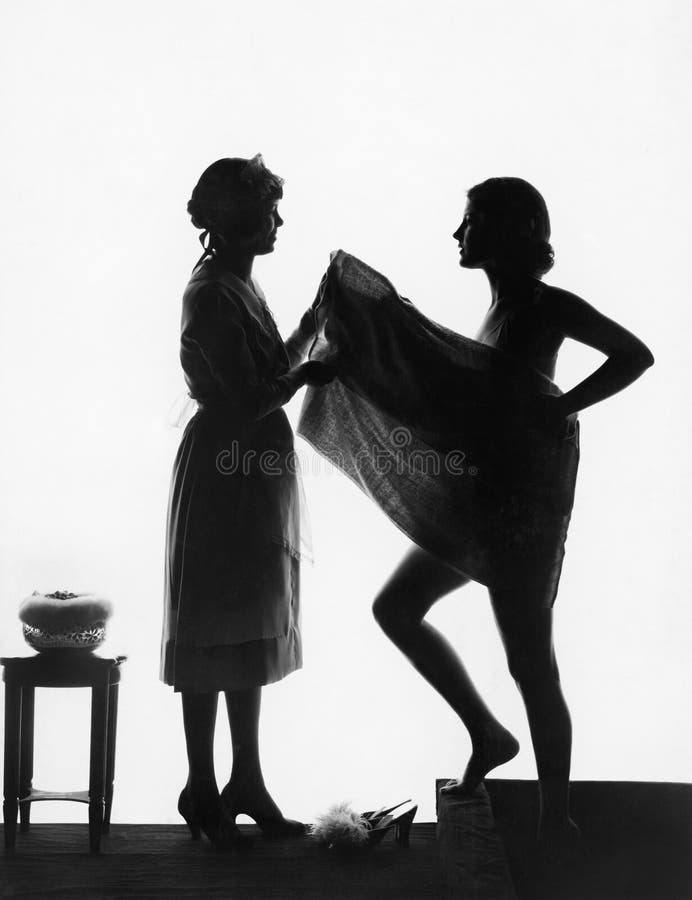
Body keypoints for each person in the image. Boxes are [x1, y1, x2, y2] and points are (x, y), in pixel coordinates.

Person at [298, 177, 654, 848]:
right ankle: (489, 734)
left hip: (519, 516)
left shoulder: (548, 306)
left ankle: (555, 818)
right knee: (395, 609)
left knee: (531, 665)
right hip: (478, 501)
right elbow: (454, 391)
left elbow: (636, 356)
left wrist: (561, 406)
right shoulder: (492, 314)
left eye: (470, 223)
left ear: (512, 232)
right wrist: (352, 352)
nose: (458, 235)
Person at [160, 154, 333, 846]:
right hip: (225, 472)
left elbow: (268, 372)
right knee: (211, 621)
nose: (278, 222)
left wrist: (315, 324)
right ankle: (204, 785)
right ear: (234, 219)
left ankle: (245, 781)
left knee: (246, 619)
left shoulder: (238, 284)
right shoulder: (210, 294)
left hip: (253, 470)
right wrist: (305, 375)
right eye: (268, 211)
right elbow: (239, 398)